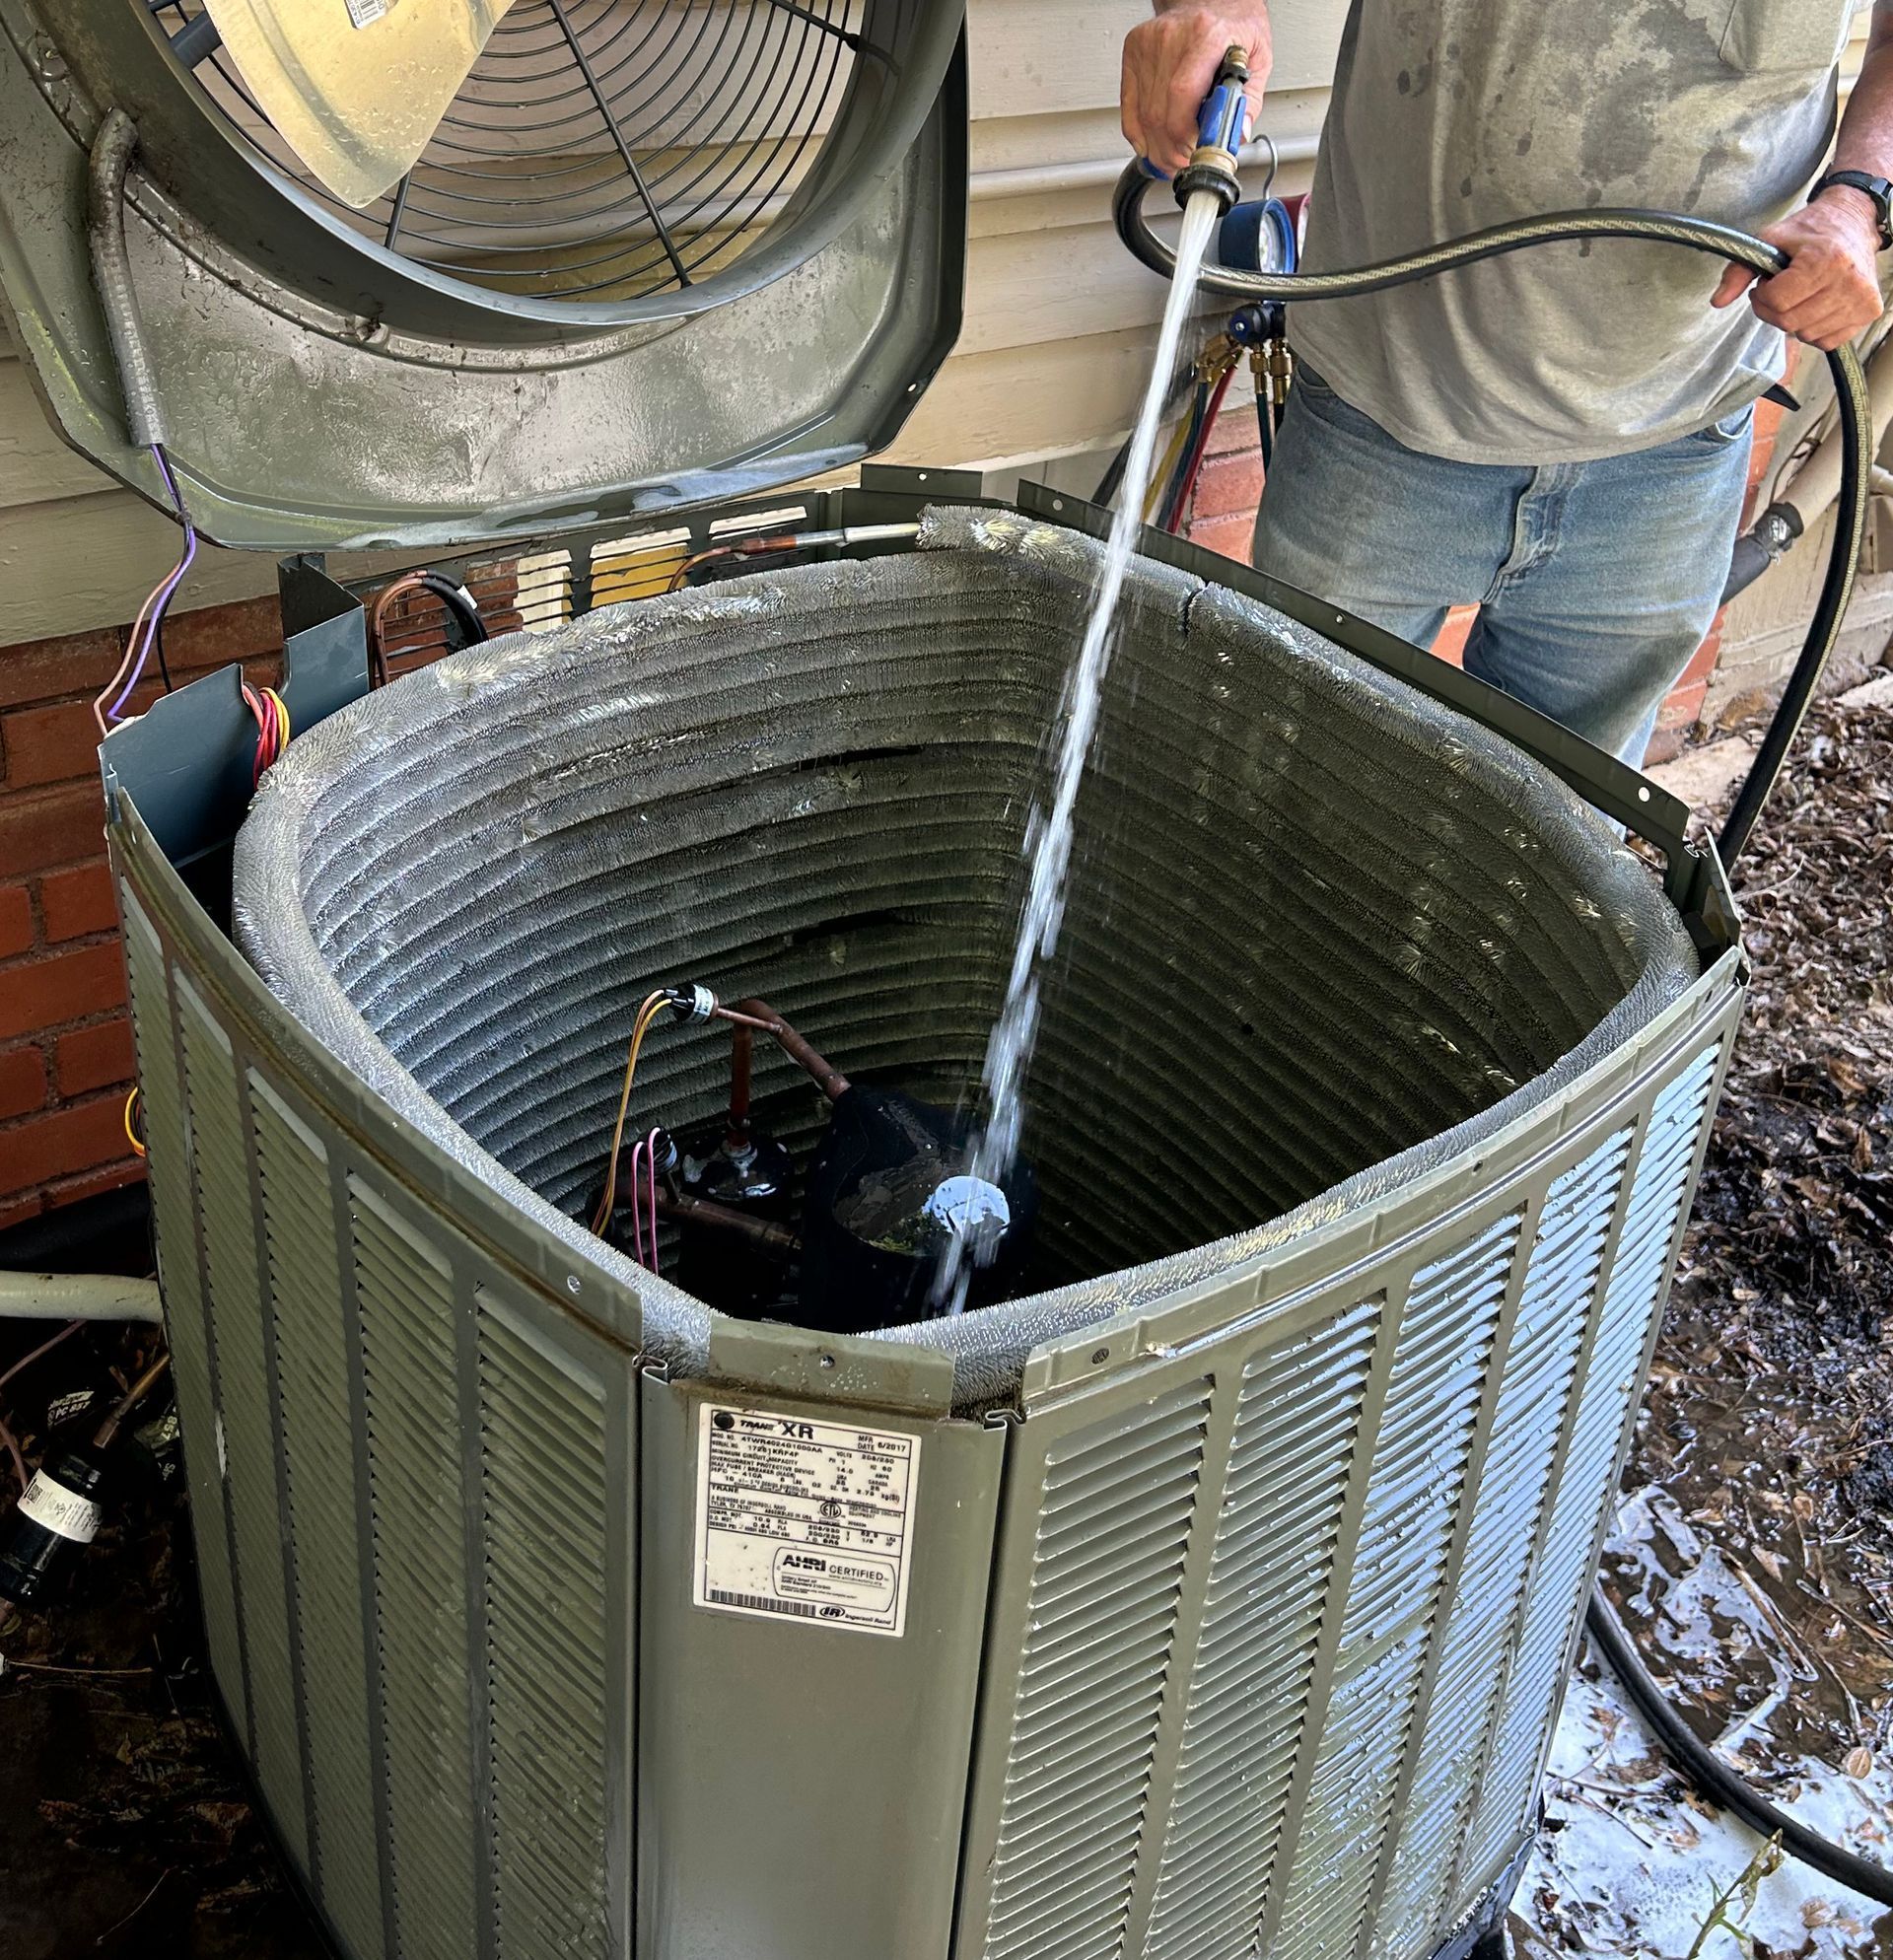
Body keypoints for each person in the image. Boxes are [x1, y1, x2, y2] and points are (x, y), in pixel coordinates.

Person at [1121, 3, 1892, 763]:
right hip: (1384, 398)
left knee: (1559, 848)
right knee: (1305, 786)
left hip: (1675, 436)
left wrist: (1862, 199)